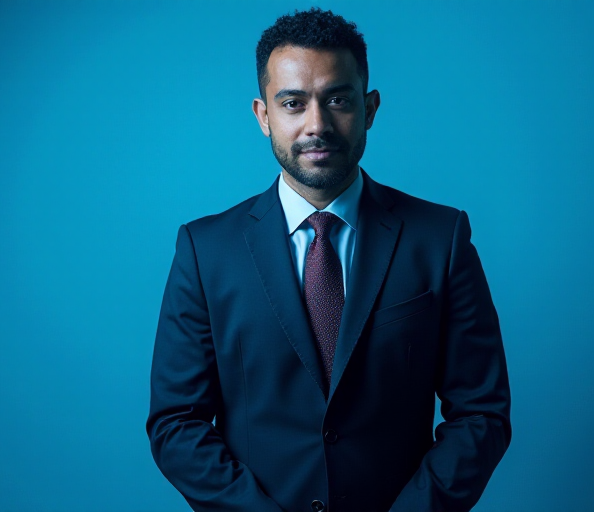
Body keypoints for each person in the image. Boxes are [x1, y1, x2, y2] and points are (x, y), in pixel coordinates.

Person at [146, 8, 511, 512]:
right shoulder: (205, 251)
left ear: (370, 107)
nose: (316, 124)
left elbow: (481, 413)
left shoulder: (440, 238)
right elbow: (175, 423)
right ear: (263, 115)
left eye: (337, 99)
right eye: (293, 103)